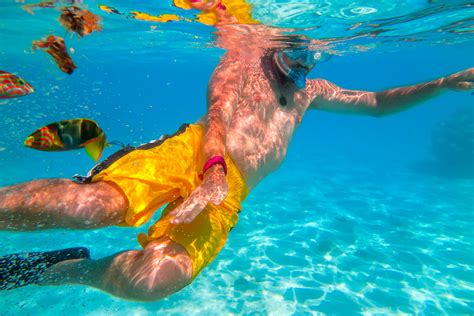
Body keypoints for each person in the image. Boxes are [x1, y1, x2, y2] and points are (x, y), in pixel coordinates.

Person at [1, 5, 473, 302]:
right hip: (190, 153)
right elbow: (218, 118)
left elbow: (375, 104)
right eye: (296, 50)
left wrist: (442, 84)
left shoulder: (311, 92)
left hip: (230, 192)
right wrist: (211, 170)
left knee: (154, 281)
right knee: (95, 205)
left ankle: (60, 269)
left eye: (315, 55)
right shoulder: (244, 62)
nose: (305, 62)